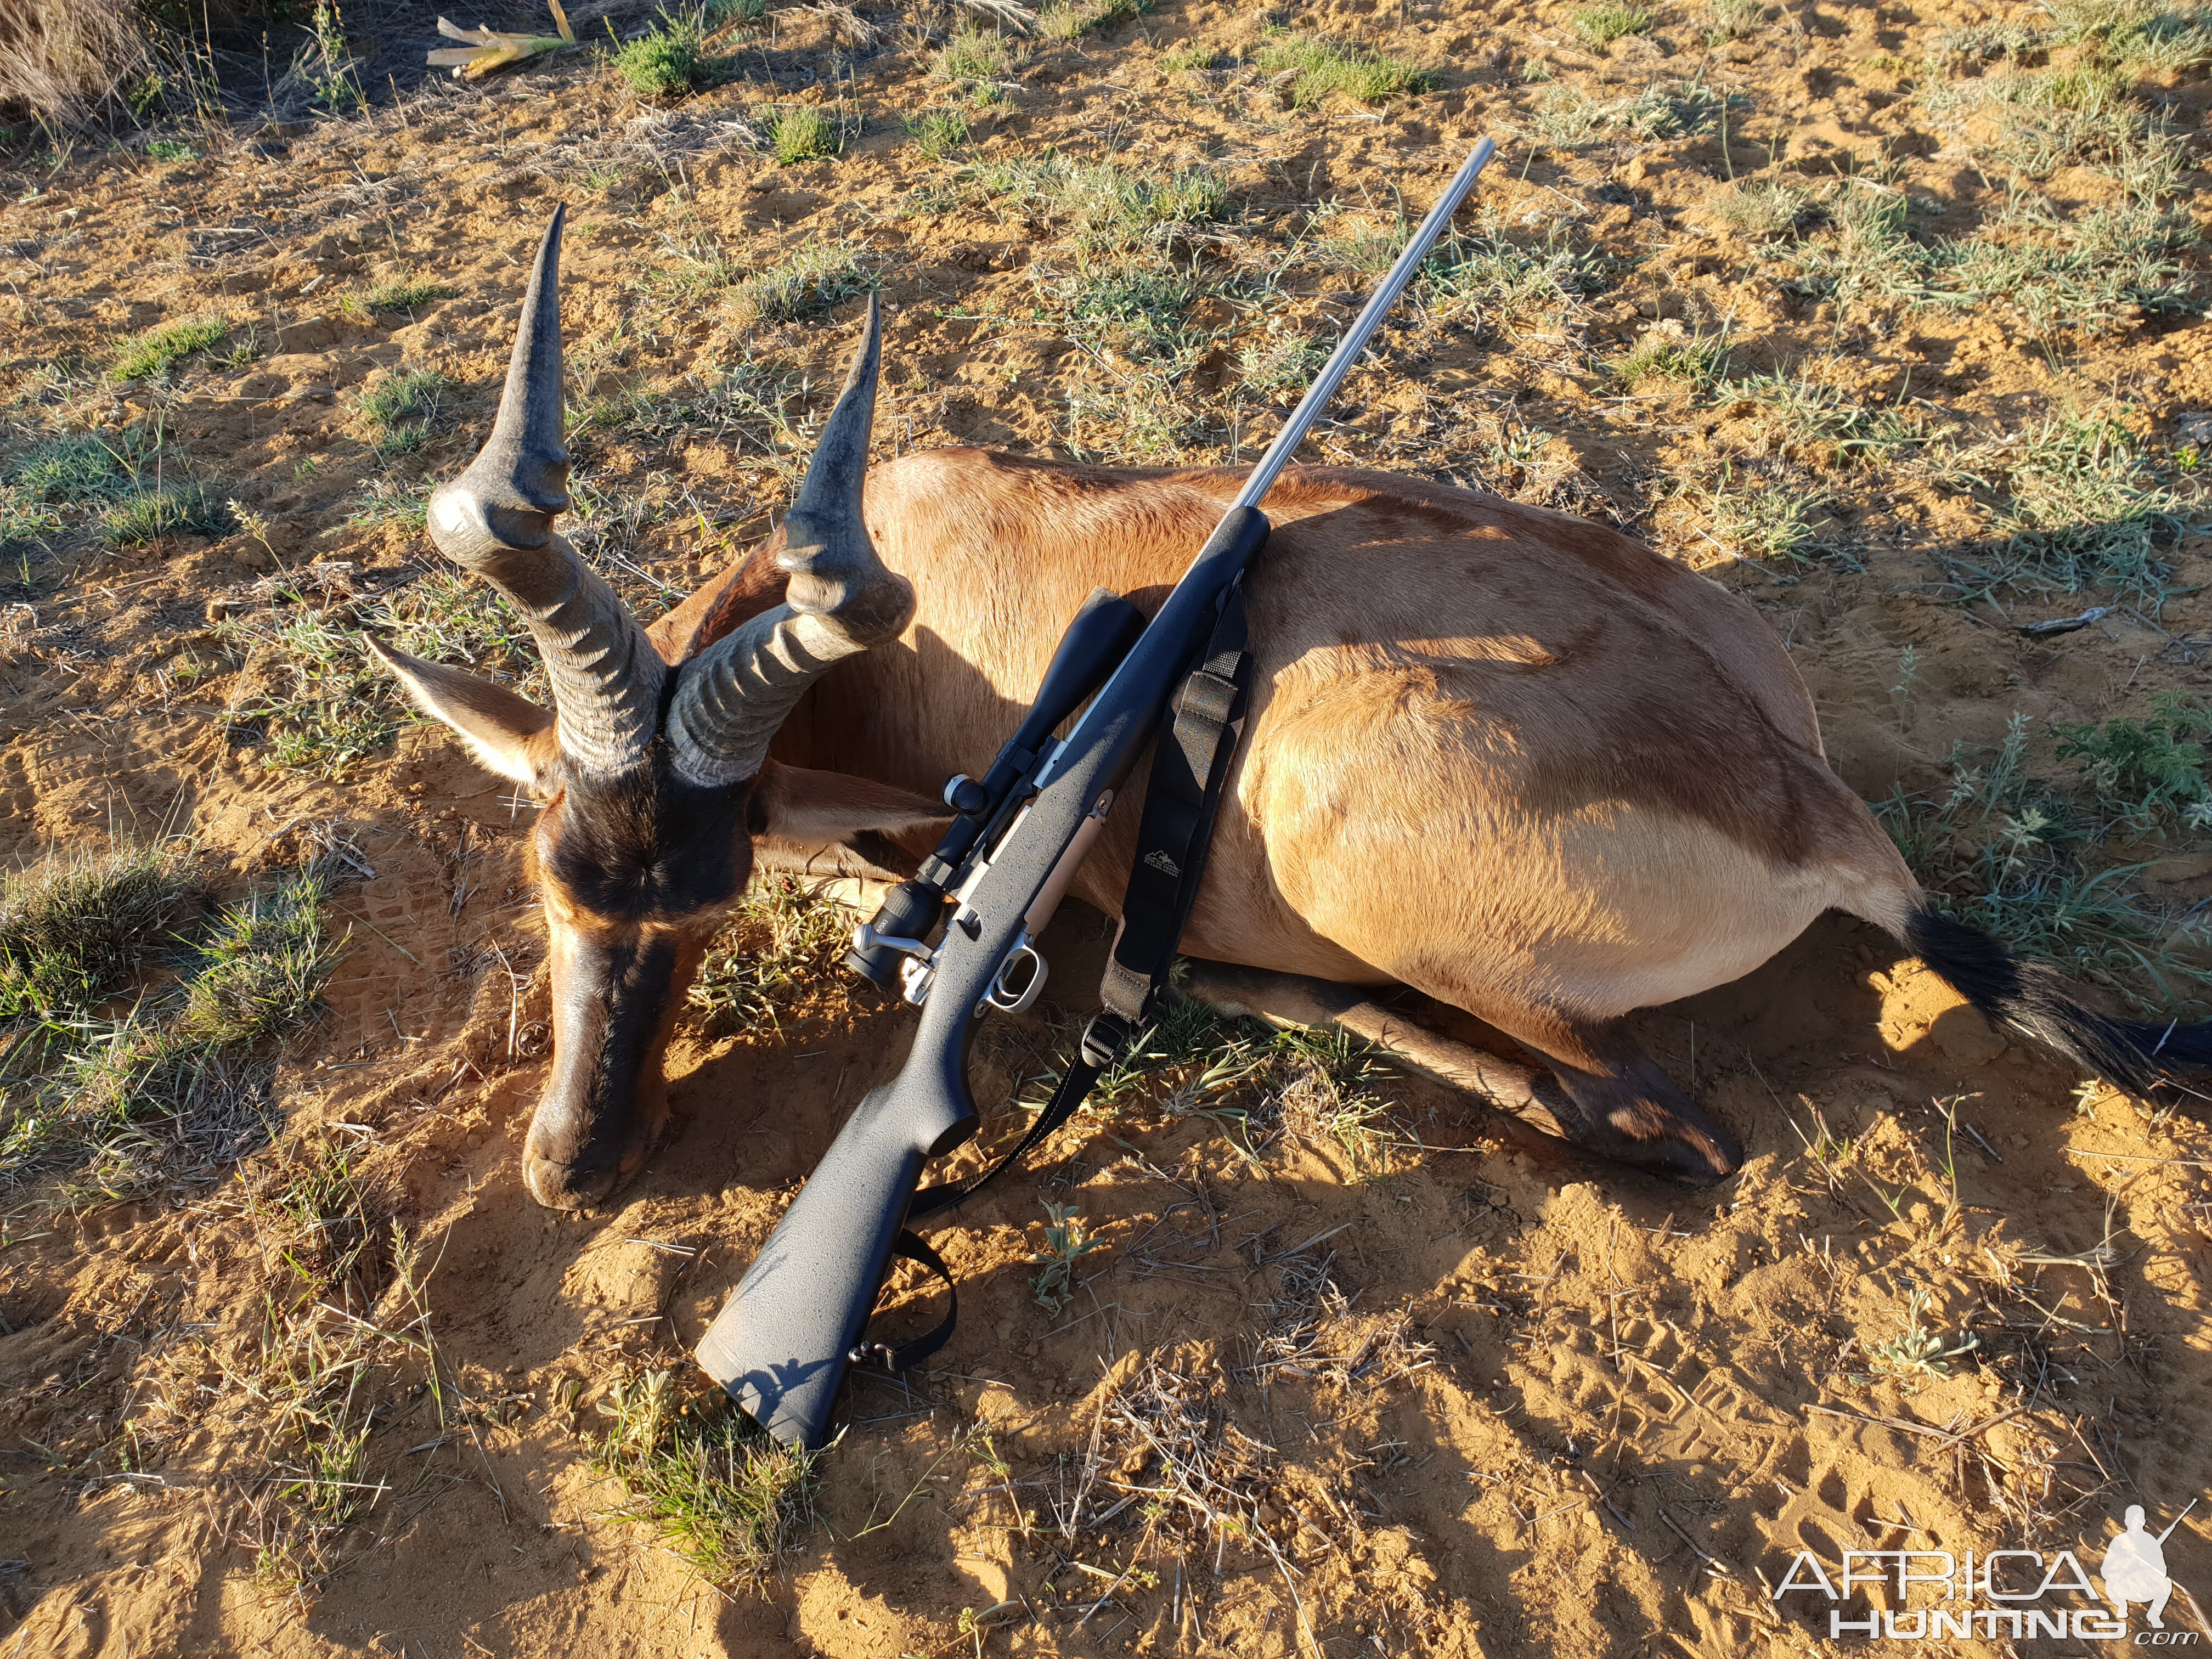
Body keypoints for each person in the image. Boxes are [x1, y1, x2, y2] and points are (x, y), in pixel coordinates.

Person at [2103, 1506, 2174, 1629]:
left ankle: (2154, 1615)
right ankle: (2122, 1606)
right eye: (2133, 1520)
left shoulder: (2151, 1541)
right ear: (2127, 1522)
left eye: (2140, 1519)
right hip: (2123, 1586)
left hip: (2146, 1585)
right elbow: (2106, 1569)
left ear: (2144, 1522)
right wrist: (2123, 1570)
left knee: (2167, 1583)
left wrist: (2149, 1562)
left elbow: (2163, 1570)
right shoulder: (2119, 1540)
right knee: (2110, 1583)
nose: (2137, 1523)